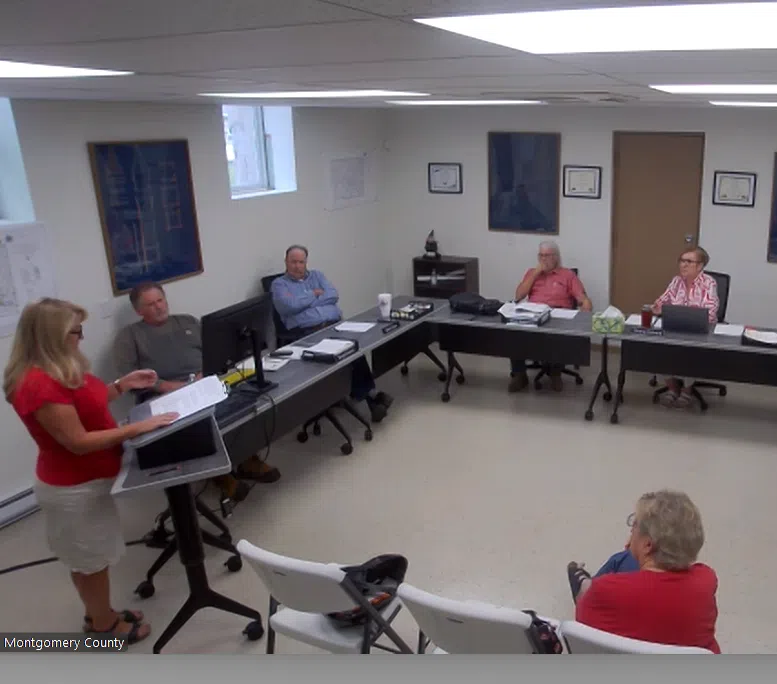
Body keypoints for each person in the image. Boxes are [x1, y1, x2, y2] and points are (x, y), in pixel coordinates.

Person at [3, 298, 179, 644]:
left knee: (87, 558)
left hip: (88, 482)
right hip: (73, 490)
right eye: (76, 331)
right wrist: (135, 428)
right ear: (53, 335)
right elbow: (78, 442)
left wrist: (122, 385)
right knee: (91, 562)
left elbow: (87, 405)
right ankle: (104, 628)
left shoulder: (60, 368)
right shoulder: (38, 384)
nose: (81, 337)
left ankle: (100, 613)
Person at [113, 282, 281, 503]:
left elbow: (213, 350)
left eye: (160, 300)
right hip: (164, 394)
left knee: (244, 402)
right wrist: (168, 386)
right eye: (150, 304)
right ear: (138, 310)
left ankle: (248, 459)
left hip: (203, 381)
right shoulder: (130, 336)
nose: (159, 307)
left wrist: (208, 371)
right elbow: (129, 379)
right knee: (200, 421)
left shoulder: (187, 321)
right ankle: (220, 475)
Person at [566, 490, 720, 653]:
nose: (631, 530)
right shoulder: (705, 581)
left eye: (635, 524)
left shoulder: (604, 590)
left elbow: (583, 626)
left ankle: (582, 582)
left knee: (619, 561)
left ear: (648, 544)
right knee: (625, 559)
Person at [270, 244, 393, 422]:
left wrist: (304, 302)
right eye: (293, 262)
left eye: (301, 262)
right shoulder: (279, 284)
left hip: (334, 325)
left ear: (306, 262)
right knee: (347, 350)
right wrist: (314, 294)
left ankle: (365, 394)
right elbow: (288, 306)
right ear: (286, 262)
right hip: (307, 333)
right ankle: (371, 397)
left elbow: (333, 295)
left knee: (355, 348)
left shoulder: (317, 276)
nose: (297, 266)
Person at [508, 241, 592, 392]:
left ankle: (555, 373)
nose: (543, 259)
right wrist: (535, 273)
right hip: (534, 315)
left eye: (547, 256)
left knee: (558, 335)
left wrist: (585, 306)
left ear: (556, 257)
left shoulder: (568, 275)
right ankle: (520, 375)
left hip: (558, 316)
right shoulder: (531, 273)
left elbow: (582, 298)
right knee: (514, 332)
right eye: (540, 255)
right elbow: (518, 296)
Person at [652, 246, 719, 409]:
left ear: (700, 265)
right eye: (682, 261)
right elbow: (660, 303)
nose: (683, 265)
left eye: (689, 261)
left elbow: (710, 313)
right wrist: (657, 307)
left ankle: (687, 390)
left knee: (689, 350)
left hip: (699, 331)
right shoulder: (676, 281)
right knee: (656, 347)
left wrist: (684, 314)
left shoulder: (709, 282)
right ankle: (672, 388)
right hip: (674, 328)